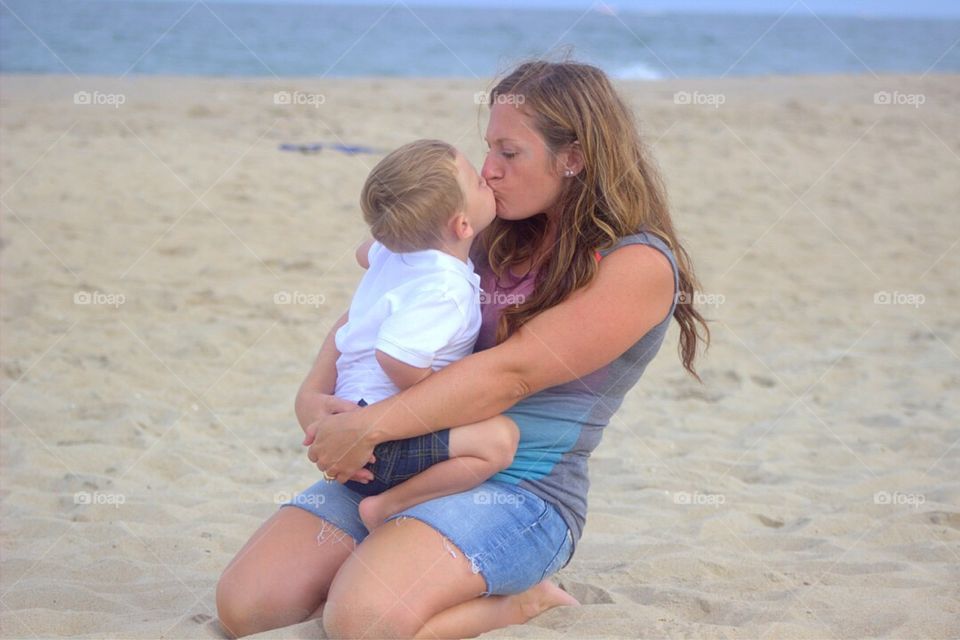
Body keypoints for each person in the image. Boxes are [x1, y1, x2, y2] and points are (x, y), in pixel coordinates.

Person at [217, 60, 709, 640]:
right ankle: (400, 562)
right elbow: (372, 313)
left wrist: (368, 425)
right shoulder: (479, 231)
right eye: (486, 152)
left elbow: (513, 374)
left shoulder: (635, 264)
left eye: (509, 153)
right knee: (247, 607)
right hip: (401, 460)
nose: (489, 172)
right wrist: (313, 400)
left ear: (572, 156)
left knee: (360, 619)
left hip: (520, 491)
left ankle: (516, 605)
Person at [298, 138, 518, 532]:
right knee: (499, 440)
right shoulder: (444, 288)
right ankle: (389, 505)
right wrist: (439, 391)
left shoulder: (392, 253)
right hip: (379, 446)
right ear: (462, 225)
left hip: (349, 420)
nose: (488, 176)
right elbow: (396, 357)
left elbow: (362, 252)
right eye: (479, 183)